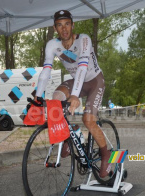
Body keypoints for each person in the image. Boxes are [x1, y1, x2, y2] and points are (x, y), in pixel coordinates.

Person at [35, 10, 111, 178]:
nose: (64, 29)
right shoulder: (52, 45)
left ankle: (106, 154)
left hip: (94, 81)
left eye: (67, 24)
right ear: (55, 28)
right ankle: (70, 133)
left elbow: (83, 66)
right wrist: (38, 96)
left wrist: (75, 95)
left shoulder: (84, 39)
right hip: (77, 80)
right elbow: (46, 71)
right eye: (60, 25)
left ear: (72, 25)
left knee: (88, 120)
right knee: (56, 99)